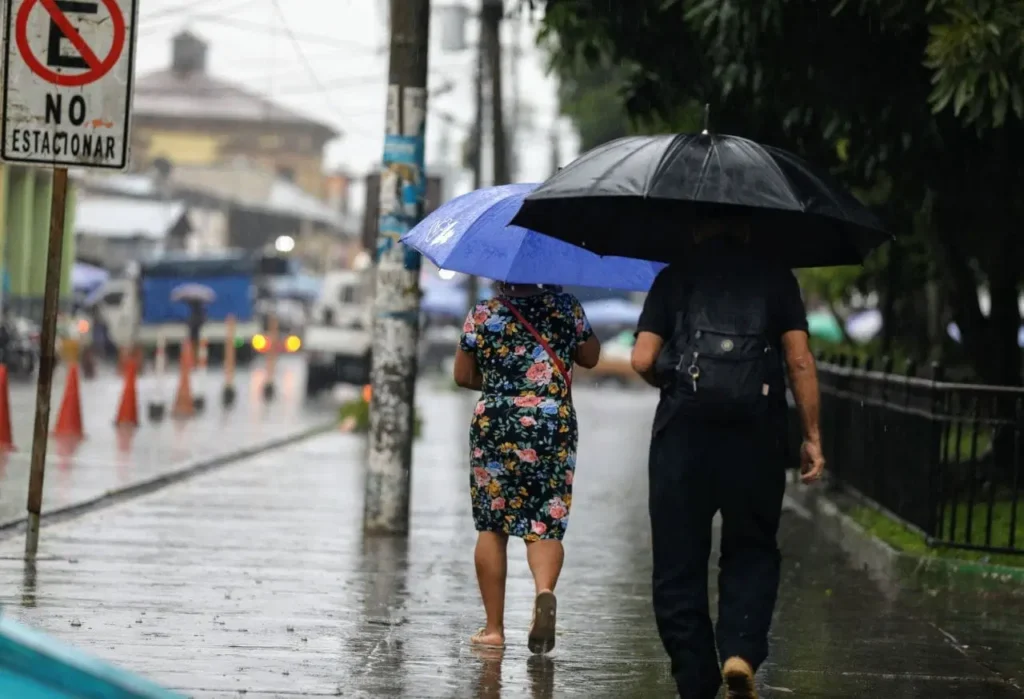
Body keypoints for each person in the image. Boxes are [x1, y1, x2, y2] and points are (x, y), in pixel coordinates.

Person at [630, 215, 825, 699]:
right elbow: (799, 360)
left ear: (695, 227)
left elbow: (641, 358)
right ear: (747, 227)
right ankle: (739, 651)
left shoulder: (674, 276)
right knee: (753, 548)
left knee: (678, 561)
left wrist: (671, 381)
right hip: (756, 436)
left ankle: (696, 681)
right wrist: (812, 436)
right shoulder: (776, 277)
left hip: (683, 438)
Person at [454, 282, 601, 653]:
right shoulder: (567, 308)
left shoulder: (483, 313)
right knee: (546, 521)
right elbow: (591, 357)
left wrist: (505, 387)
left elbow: (462, 375)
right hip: (552, 422)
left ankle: (493, 630)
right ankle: (544, 592)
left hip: (497, 422)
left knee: (492, 525)